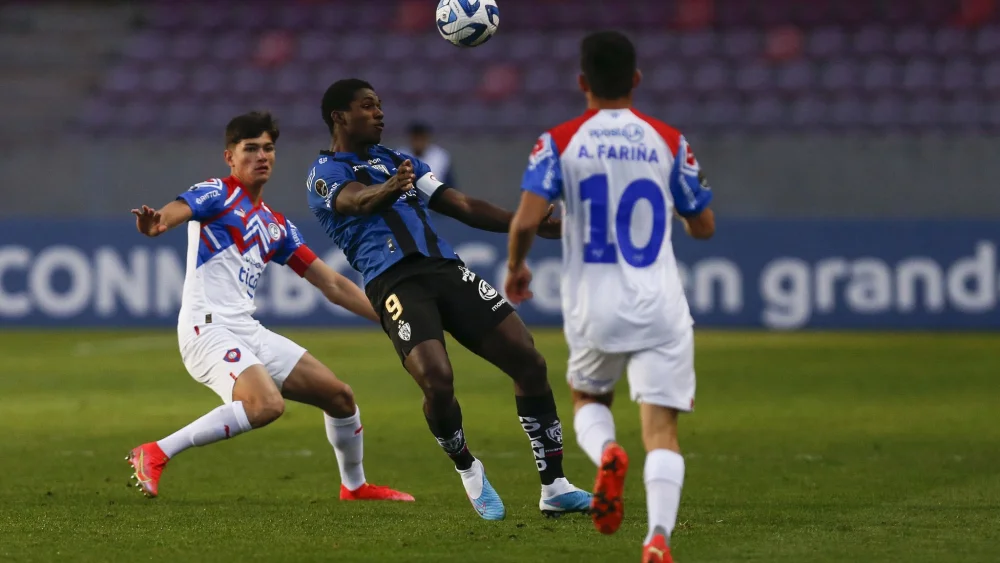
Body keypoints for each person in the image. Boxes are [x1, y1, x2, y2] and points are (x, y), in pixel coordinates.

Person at [303, 79, 593, 521]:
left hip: (445, 268)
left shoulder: (399, 160)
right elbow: (356, 203)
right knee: (437, 381)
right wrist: (389, 190)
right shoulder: (324, 174)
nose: (379, 113)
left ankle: (554, 486)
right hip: (393, 282)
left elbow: (458, 203)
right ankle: (468, 468)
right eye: (367, 106)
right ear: (339, 117)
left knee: (529, 361)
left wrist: (527, 223)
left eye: (380, 105)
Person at [125, 111, 413, 503]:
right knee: (265, 405)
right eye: (251, 149)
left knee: (340, 397)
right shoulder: (215, 193)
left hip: (245, 329)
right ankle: (156, 452)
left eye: (268, 148)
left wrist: (388, 317)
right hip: (205, 329)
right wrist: (154, 224)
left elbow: (330, 283)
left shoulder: (275, 225)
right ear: (230, 157)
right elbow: (165, 219)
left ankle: (355, 487)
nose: (262, 156)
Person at [505, 32, 716, 563]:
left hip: (594, 306)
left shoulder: (558, 140)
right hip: (662, 305)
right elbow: (704, 227)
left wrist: (516, 267)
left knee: (588, 400)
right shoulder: (669, 140)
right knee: (663, 428)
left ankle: (606, 453)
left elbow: (527, 219)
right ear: (636, 81)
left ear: (582, 83)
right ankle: (658, 539)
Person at [398, 121, 456, 188]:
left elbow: (449, 185)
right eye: (416, 138)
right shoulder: (400, 155)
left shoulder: (440, 157)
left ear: (427, 138)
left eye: (422, 138)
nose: (419, 142)